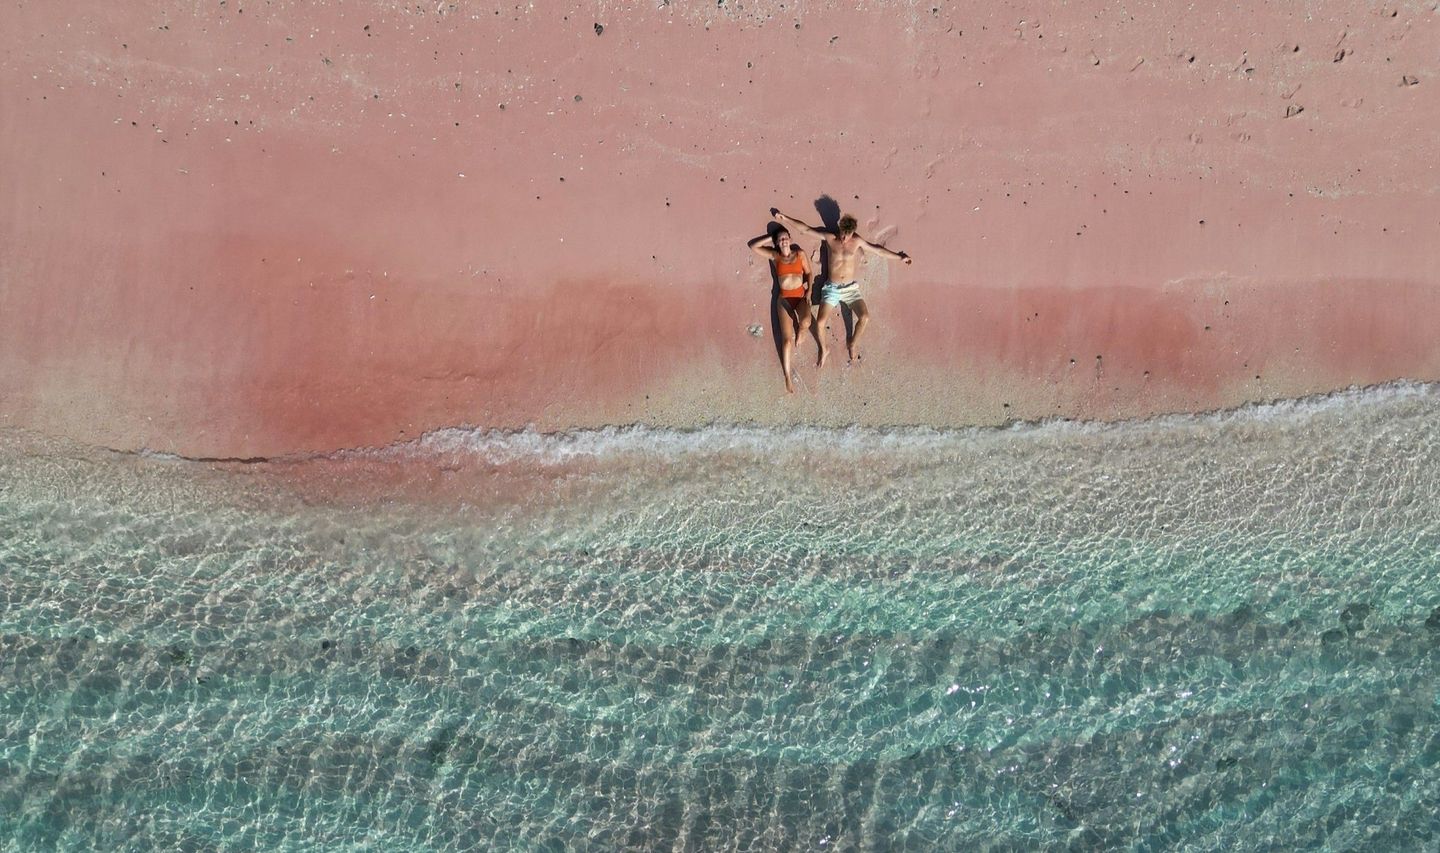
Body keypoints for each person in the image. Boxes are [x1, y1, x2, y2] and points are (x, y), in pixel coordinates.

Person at [770, 208, 912, 366]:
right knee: (821, 323)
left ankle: (852, 344)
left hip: (851, 289)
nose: (843, 238)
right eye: (842, 233)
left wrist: (900, 257)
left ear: (852, 232)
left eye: (847, 235)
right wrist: (785, 218)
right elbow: (806, 229)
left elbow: (878, 250)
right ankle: (824, 349)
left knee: (865, 317)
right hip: (832, 288)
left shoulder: (857, 241)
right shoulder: (831, 238)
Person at [748, 226, 821, 393]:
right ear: (777, 243)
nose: (783, 241)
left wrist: (809, 291)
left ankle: (801, 333)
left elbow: (809, 273)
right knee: (787, 341)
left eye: (785, 238)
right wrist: (770, 237)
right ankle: (787, 376)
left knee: (806, 322)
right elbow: (753, 246)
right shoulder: (775, 256)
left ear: (790, 238)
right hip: (784, 300)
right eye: (780, 239)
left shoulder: (800, 254)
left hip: (800, 297)